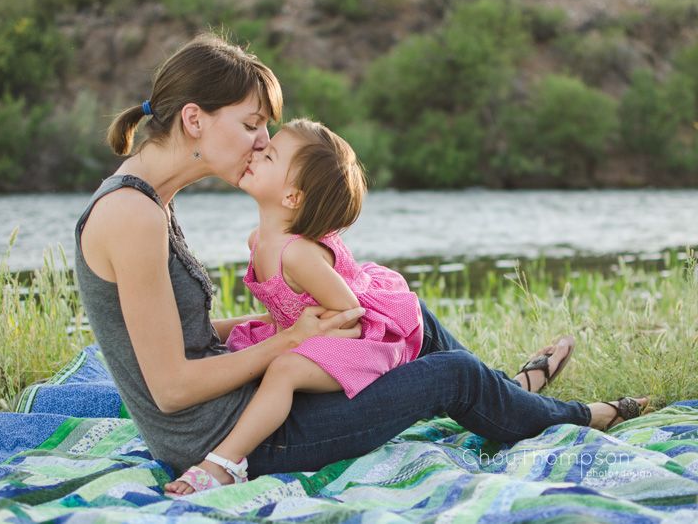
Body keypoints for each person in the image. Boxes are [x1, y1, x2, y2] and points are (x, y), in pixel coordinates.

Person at [74, 33, 648, 497]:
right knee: (453, 376)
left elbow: (180, 337)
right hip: (234, 438)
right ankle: (576, 414)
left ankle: (510, 395)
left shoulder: (149, 202)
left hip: (241, 410)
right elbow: (172, 388)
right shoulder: (133, 216)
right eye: (251, 125)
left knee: (403, 312)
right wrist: (288, 339)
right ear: (195, 120)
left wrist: (284, 328)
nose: (260, 141)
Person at [166, 118, 426, 493]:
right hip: (307, 331)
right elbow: (278, 313)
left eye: (269, 156)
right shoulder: (259, 240)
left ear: (292, 197)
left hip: (366, 339)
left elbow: (350, 313)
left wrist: (304, 343)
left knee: (284, 369)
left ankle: (224, 463)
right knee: (244, 343)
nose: (257, 152)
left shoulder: (298, 255)